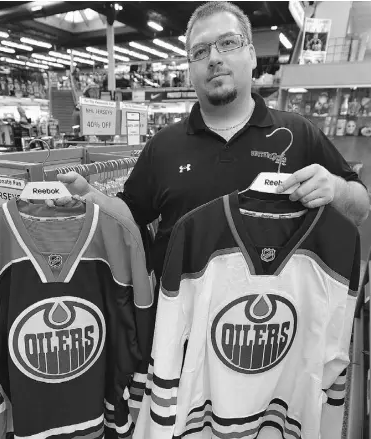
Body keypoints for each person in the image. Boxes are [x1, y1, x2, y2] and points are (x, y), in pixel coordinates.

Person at [48, 1, 369, 282]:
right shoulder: (163, 145)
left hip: (273, 328)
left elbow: (359, 209)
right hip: (180, 327)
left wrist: (335, 189)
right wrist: (92, 196)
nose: (214, 58)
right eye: (200, 51)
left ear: (253, 55)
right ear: (190, 70)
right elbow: (132, 213)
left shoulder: (298, 134)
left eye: (228, 43)